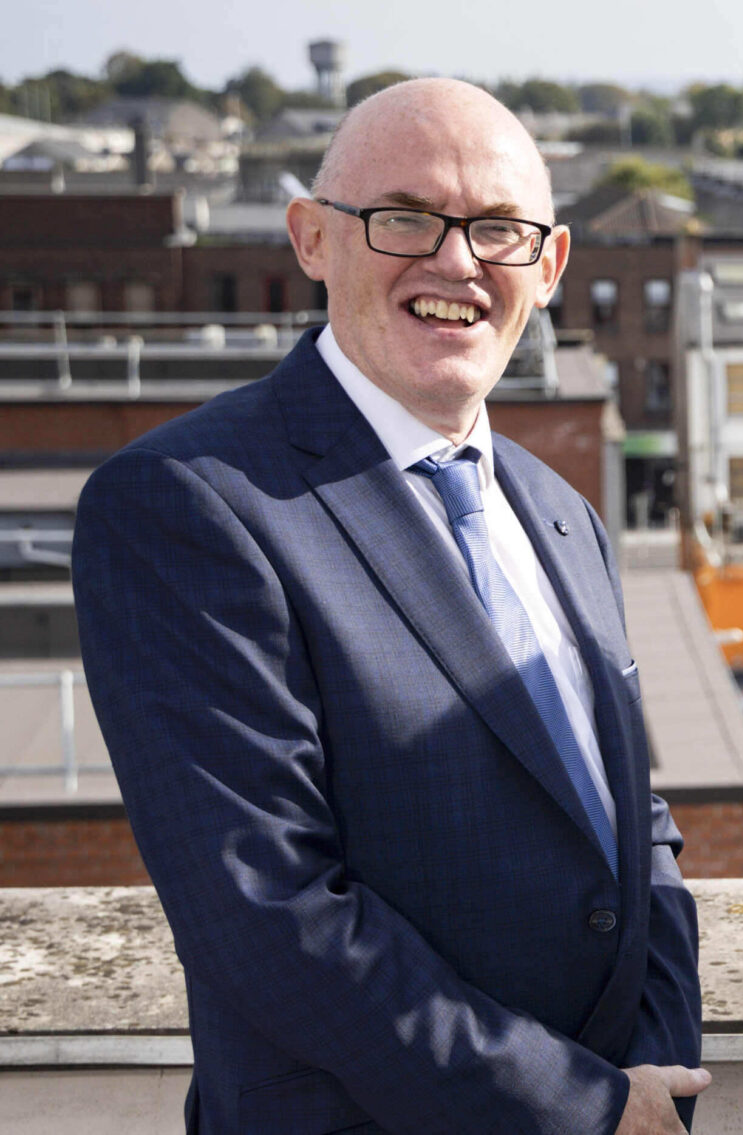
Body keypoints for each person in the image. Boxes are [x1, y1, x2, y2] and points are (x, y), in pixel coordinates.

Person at [73, 78, 706, 1134]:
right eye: (406, 218)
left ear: (547, 268)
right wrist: (581, 1109)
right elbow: (268, 913)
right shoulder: (189, 503)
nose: (456, 262)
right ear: (313, 238)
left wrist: (656, 1070)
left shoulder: (563, 516)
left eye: (499, 229)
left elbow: (637, 835)